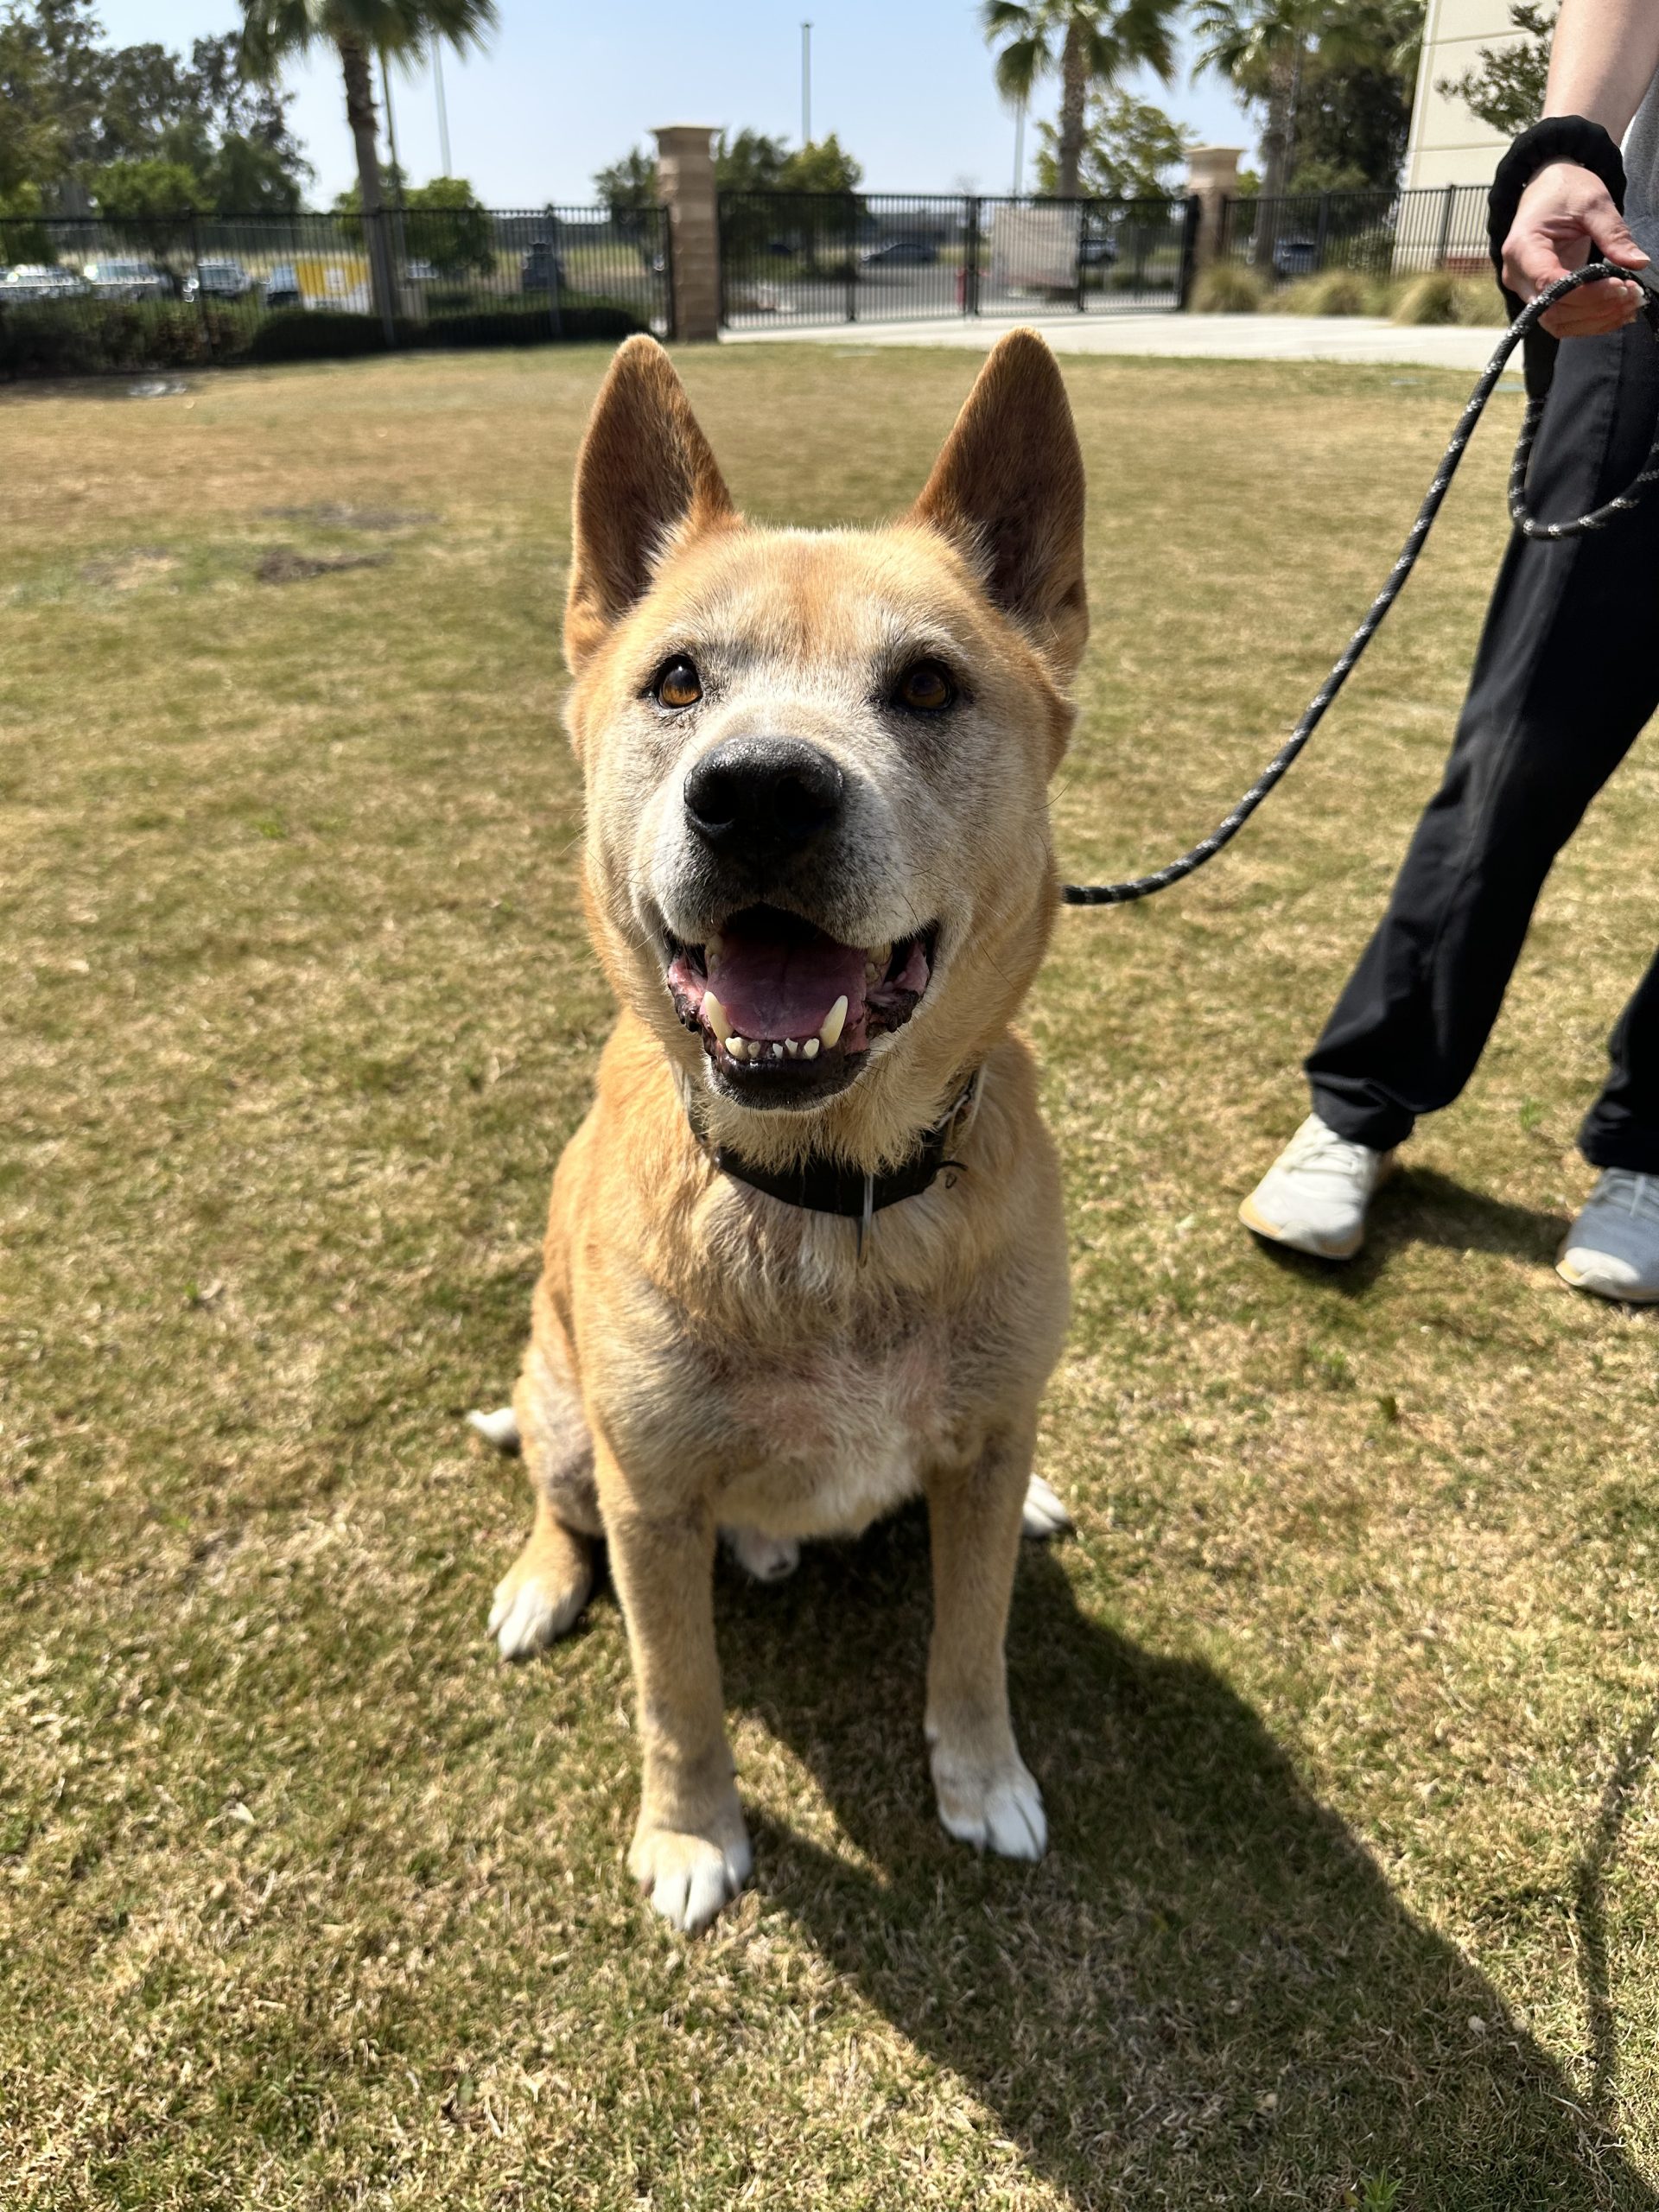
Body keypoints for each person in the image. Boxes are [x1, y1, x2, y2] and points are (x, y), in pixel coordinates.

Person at [1241, 0, 1659, 1300]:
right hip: (1644, 293)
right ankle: (1362, 1103)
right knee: (1521, 741)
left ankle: (1651, 1148)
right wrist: (1569, 142)